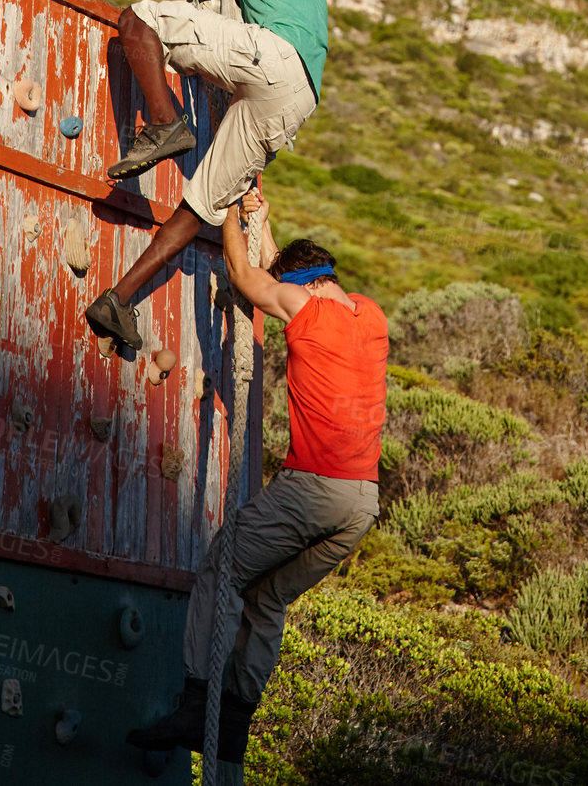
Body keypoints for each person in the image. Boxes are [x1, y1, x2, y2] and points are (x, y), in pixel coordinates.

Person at [127, 183, 387, 764]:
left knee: (222, 564)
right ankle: (237, 721)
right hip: (362, 504)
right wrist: (262, 222)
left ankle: (197, 703)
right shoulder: (370, 315)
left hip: (314, 490)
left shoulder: (305, 306)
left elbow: (249, 278)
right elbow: (280, 279)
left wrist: (225, 218)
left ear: (303, 287)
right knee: (268, 597)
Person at [85, 0, 328, 350]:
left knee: (140, 18)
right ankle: (118, 300)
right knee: (202, 207)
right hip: (297, 102)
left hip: (271, 59)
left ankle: (165, 123)